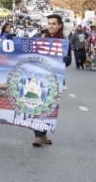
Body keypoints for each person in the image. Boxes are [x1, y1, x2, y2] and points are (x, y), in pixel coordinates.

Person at [32, 14, 71, 147]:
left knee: (48, 108)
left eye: (54, 23)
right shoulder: (39, 38)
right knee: (38, 106)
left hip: (55, 80)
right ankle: (37, 136)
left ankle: (43, 135)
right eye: (49, 23)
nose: (51, 26)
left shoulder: (64, 42)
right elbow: (22, 44)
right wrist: (10, 38)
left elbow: (69, 61)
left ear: (60, 25)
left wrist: (66, 60)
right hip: (39, 79)